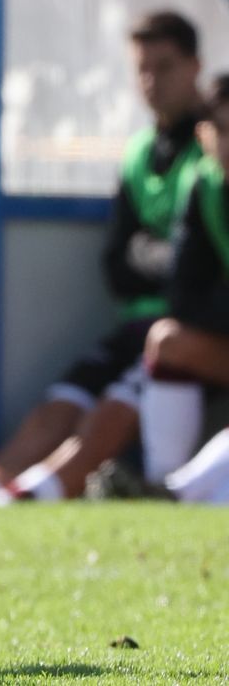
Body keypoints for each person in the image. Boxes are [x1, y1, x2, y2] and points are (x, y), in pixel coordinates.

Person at [0, 11, 207, 502]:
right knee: (62, 402)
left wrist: (155, 258)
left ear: (195, 67)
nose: (151, 81)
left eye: (164, 67)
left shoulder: (211, 149)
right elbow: (117, 266)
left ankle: (35, 495)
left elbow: (195, 268)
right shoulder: (138, 151)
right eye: (142, 69)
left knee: (114, 406)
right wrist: (163, 260)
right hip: (136, 323)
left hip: (191, 330)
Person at [132, 72, 229, 488]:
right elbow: (183, 294)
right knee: (167, 340)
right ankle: (166, 484)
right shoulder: (205, 185)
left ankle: (177, 492)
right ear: (204, 135)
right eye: (222, 130)